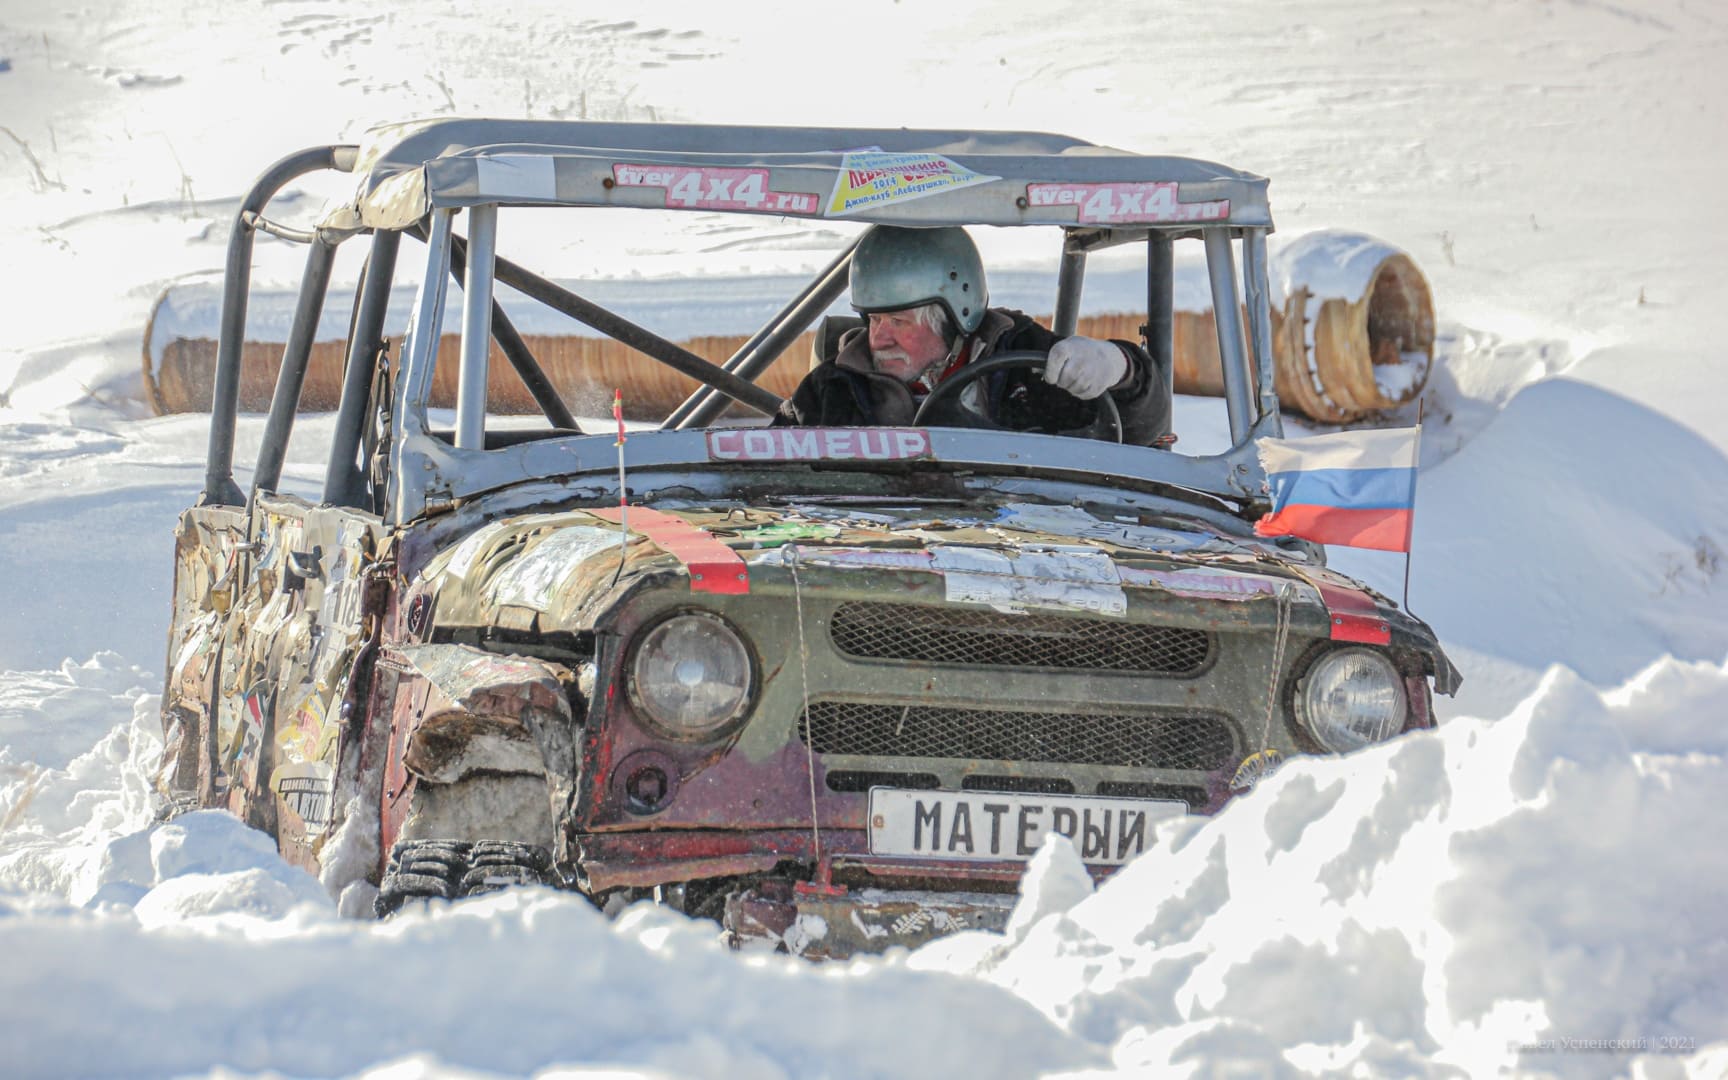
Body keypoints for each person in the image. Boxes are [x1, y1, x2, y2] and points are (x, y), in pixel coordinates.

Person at [773, 225, 1172, 445]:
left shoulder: (1026, 366)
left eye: (898, 323)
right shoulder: (832, 390)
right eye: (874, 321)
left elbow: (1142, 428)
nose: (879, 340)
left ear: (953, 317)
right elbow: (766, 471)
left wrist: (1121, 369)